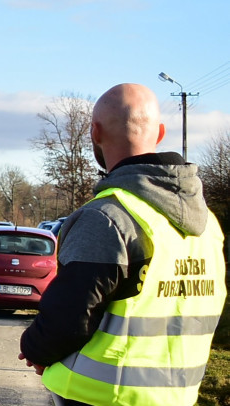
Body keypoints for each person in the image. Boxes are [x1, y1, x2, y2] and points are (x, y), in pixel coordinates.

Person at [20, 83, 226, 406]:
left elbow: (68, 319)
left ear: (95, 133)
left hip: (99, 398)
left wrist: (33, 347)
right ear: (159, 133)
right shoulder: (209, 226)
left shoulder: (109, 217)